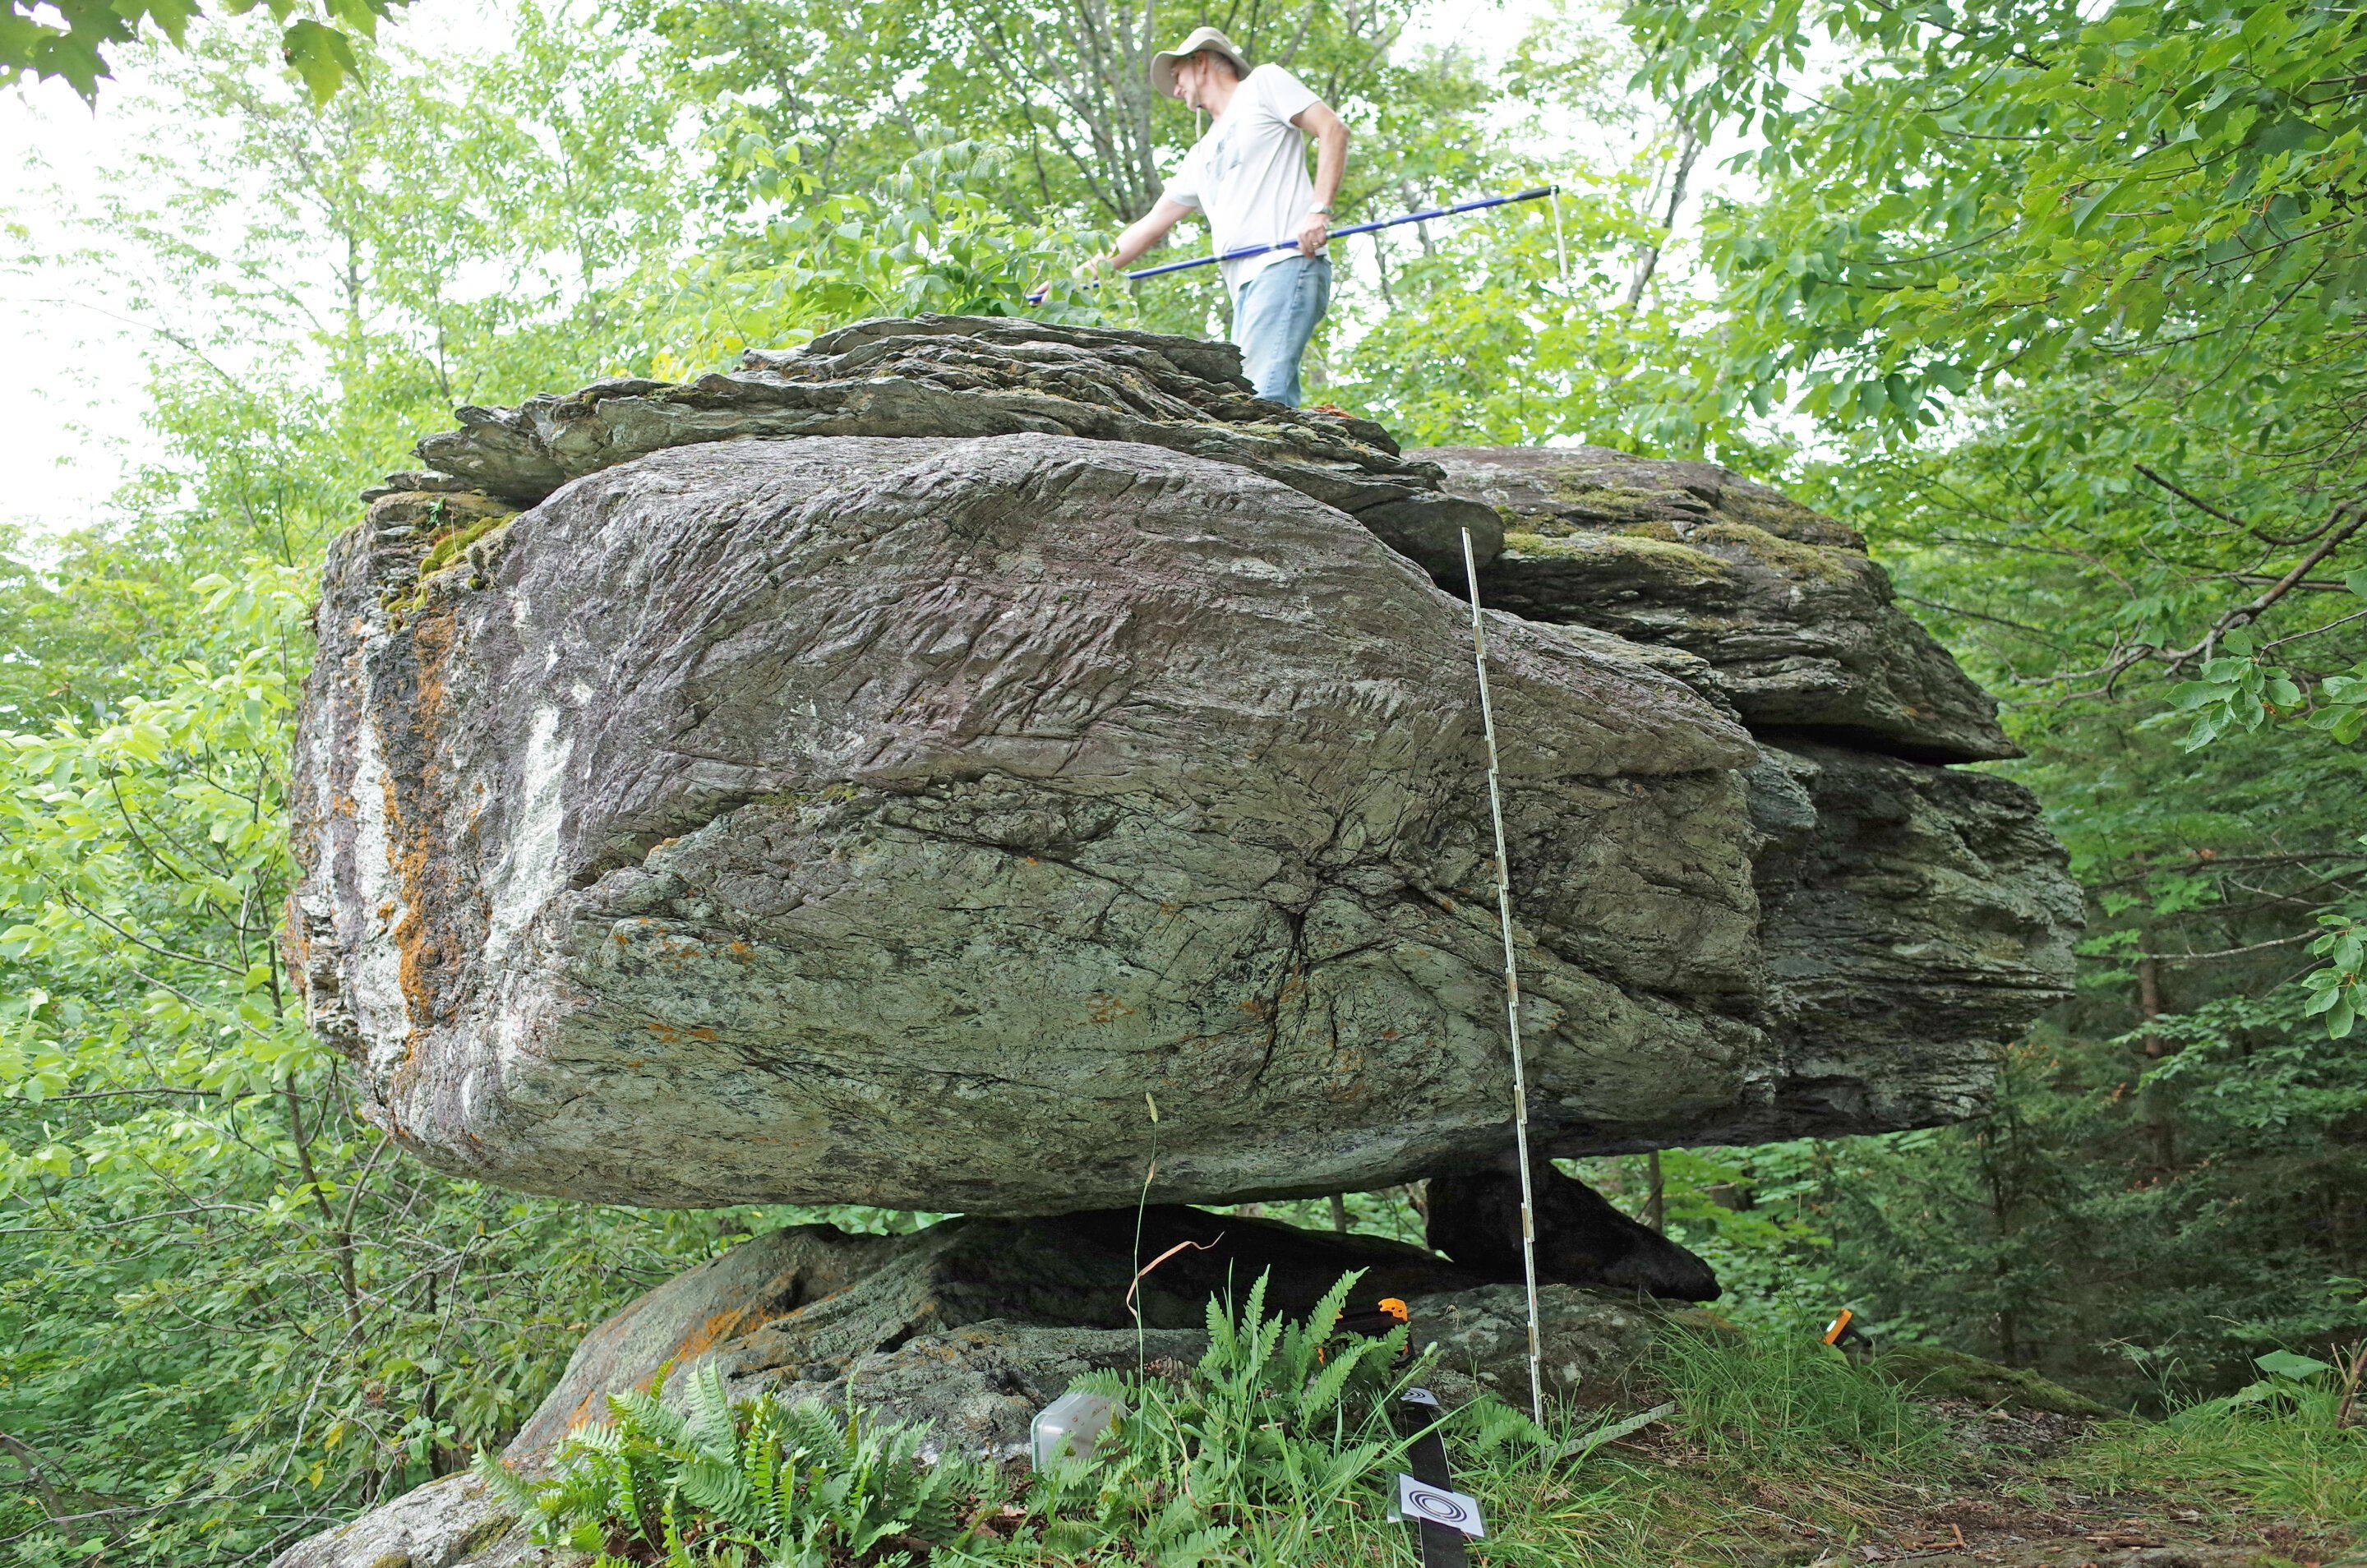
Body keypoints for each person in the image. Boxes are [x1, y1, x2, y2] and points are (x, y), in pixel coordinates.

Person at [1100, 27, 1349, 406]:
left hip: (1284, 264)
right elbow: (1150, 226)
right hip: (1245, 287)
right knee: (1259, 396)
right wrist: (1083, 275)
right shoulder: (1200, 154)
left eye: (1177, 74)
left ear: (1201, 62)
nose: (1175, 87)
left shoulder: (1263, 85)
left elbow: (1332, 128)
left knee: (1259, 401)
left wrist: (1318, 211)